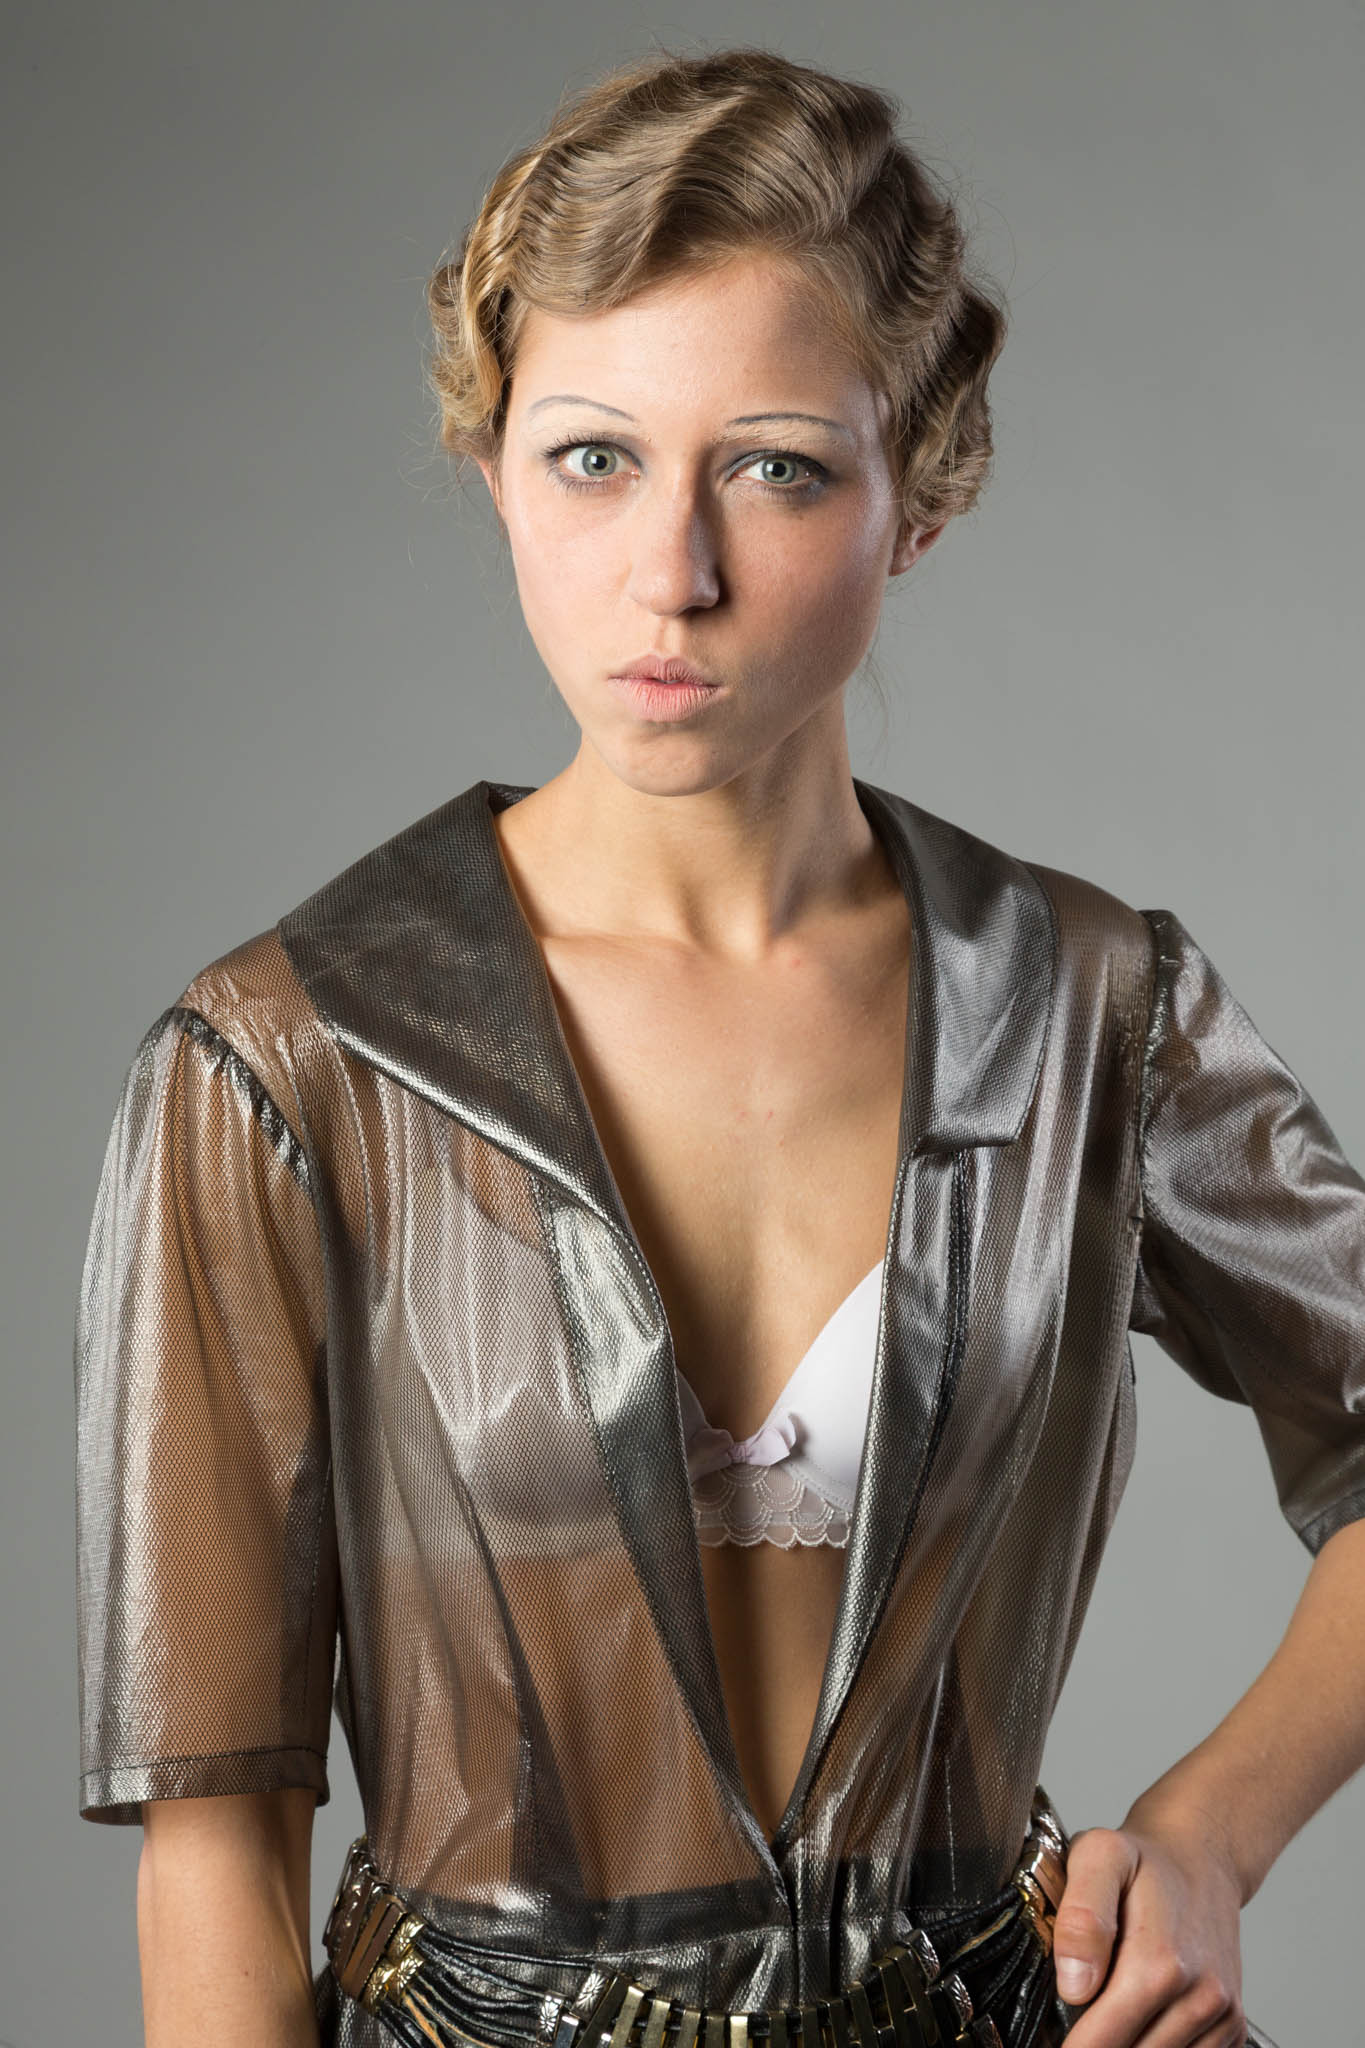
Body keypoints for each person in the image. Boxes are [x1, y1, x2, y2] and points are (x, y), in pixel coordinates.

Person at [72, 44, 1365, 2048]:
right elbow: (216, 1857)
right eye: (590, 456)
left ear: (915, 495)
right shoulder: (292, 1059)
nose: (668, 571)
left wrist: (1211, 1827)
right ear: (492, 461)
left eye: (770, 465)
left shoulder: (1089, 1011)